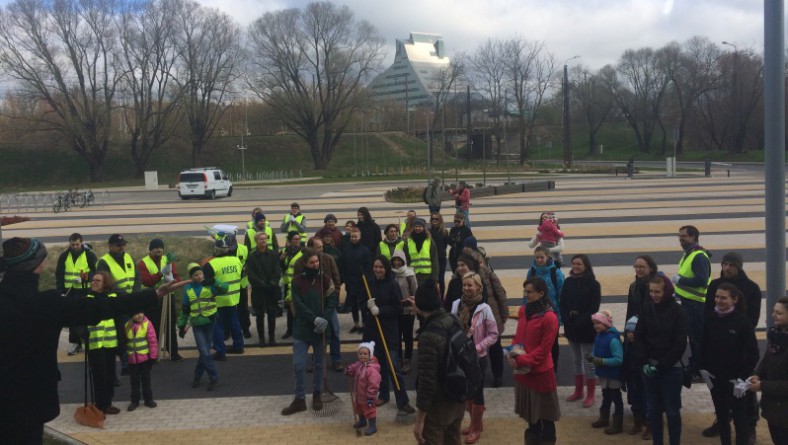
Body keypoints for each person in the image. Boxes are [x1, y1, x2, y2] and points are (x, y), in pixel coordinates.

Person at [0, 237, 185, 444]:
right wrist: (153, 295)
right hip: (31, 400)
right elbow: (104, 306)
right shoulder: (47, 305)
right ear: (38, 265)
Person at [702, 251, 762, 440]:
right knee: (721, 404)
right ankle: (721, 421)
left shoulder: (751, 288)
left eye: (731, 265)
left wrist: (735, 329)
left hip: (739, 353)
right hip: (718, 364)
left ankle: (750, 426)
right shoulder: (714, 286)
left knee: (744, 405)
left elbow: (752, 319)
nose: (726, 268)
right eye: (724, 264)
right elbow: (707, 315)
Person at [281, 252, 338, 415]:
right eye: (312, 262)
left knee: (319, 365)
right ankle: (299, 399)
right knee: (298, 365)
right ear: (305, 264)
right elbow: (297, 304)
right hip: (302, 330)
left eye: (317, 262)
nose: (316, 265)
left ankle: (317, 395)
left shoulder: (325, 279)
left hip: (321, 331)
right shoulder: (297, 281)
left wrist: (324, 320)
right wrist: (314, 319)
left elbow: (332, 300)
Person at [635, 274, 688, 445]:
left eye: (657, 292)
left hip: (671, 369)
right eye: (651, 291)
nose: (654, 295)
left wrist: (662, 366)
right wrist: (644, 362)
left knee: (672, 411)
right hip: (649, 366)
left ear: (667, 291)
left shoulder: (678, 312)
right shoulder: (646, 308)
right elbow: (639, 336)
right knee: (654, 410)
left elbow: (679, 344)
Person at [412, 278, 466, 445]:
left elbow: (427, 381)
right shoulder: (453, 319)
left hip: (439, 405)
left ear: (420, 306)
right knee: (453, 439)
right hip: (458, 397)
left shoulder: (427, 337)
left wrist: (420, 419)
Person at [510, 277, 561, 445]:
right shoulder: (523, 311)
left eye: (529, 292)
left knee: (546, 419)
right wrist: (511, 353)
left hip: (541, 374)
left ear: (541, 293)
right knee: (532, 418)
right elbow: (518, 337)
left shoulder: (550, 317)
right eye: (525, 291)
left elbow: (544, 351)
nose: (526, 295)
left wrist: (522, 360)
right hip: (524, 373)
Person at [364, 255, 416, 417]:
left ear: (386, 269)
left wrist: (380, 310)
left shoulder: (392, 285)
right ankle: (384, 395)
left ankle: (403, 401)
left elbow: (398, 308)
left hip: (389, 332)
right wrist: (367, 307)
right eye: (375, 267)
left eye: (381, 267)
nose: (378, 270)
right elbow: (362, 304)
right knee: (379, 368)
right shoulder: (369, 283)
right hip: (374, 333)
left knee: (393, 367)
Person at [450, 272, 498, 444]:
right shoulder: (456, 305)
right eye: (464, 285)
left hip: (478, 358)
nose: (466, 288)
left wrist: (477, 348)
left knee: (477, 393)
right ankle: (474, 423)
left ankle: (476, 428)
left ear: (478, 287)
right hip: (460, 358)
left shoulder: (485, 309)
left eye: (470, 285)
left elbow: (493, 334)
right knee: (467, 392)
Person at [462, 237, 509, 388]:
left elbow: (500, 293)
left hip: (489, 314)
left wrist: (503, 314)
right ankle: (487, 375)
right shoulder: (465, 280)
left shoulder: (487, 274)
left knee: (492, 346)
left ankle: (496, 375)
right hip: (476, 316)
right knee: (481, 347)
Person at [559, 254, 601, 408]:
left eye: (579, 264)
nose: (575, 266)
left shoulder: (594, 284)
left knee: (588, 361)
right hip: (571, 327)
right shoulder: (568, 282)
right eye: (574, 263)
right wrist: (566, 319)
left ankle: (590, 394)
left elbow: (593, 308)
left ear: (586, 266)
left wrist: (580, 321)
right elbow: (562, 302)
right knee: (576, 360)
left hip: (587, 327)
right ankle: (578, 391)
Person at [294, 239, 342, 371]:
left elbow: (336, 279)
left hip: (328, 306)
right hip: (310, 306)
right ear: (311, 249)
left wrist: (332, 299)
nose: (322, 250)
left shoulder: (327, 259)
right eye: (319, 248)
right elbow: (297, 284)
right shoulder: (299, 263)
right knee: (315, 336)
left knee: (335, 332)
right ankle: (317, 361)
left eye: (322, 247)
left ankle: (336, 359)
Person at [178, 263, 227, 391]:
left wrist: (214, 281)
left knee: (204, 352)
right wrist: (181, 324)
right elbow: (185, 309)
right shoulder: (188, 290)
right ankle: (213, 377)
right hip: (197, 324)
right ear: (191, 277)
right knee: (205, 352)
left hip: (210, 322)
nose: (199, 277)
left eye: (200, 274)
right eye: (196, 275)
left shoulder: (209, 285)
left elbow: (225, 289)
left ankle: (198, 376)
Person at [748, 296, 788, 445]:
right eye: (773, 311)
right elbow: (766, 361)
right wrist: (757, 374)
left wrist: (762, 386)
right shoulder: (776, 337)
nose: (773, 315)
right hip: (775, 409)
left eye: (779, 313)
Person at [672, 225, 711, 377]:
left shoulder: (699, 256)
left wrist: (681, 280)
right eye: (679, 236)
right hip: (687, 303)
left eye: (683, 236)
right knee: (693, 337)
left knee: (696, 338)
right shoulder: (689, 254)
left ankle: (699, 368)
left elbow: (702, 280)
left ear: (693, 237)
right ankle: (695, 365)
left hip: (695, 305)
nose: (680, 238)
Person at [84, 271, 123, 415]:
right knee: (99, 375)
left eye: (97, 281)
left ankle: (108, 403)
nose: (93, 282)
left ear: (105, 283)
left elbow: (118, 320)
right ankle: (101, 405)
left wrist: (121, 339)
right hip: (94, 343)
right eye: (93, 280)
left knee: (110, 374)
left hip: (110, 343)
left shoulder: (112, 297)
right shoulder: (87, 298)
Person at [137, 238, 182, 362]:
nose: (159, 249)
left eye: (160, 247)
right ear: (150, 250)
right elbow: (147, 281)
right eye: (156, 247)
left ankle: (173, 352)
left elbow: (177, 276)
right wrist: (161, 274)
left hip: (168, 297)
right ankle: (153, 354)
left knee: (170, 325)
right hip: (153, 298)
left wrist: (173, 279)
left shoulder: (168, 260)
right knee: (153, 327)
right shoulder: (143, 263)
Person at [55, 232, 97, 356]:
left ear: (81, 243)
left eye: (77, 244)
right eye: (72, 244)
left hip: (85, 290)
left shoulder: (89, 255)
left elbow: (95, 272)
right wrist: (61, 292)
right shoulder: (64, 256)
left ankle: (88, 341)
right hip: (70, 292)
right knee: (72, 317)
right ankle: (76, 343)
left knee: (86, 316)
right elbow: (59, 275)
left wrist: (84, 277)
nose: (74, 247)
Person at [203, 236, 244, 359]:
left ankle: (220, 351)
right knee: (234, 323)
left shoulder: (211, 264)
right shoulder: (236, 260)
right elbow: (241, 275)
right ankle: (239, 346)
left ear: (216, 250)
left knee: (217, 326)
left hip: (218, 300)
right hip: (233, 298)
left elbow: (205, 282)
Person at [527, 245, 564, 373]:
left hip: (551, 314)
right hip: (535, 313)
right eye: (536, 257)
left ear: (547, 257)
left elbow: (562, 295)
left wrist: (559, 316)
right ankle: (539, 365)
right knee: (536, 342)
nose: (539, 260)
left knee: (552, 343)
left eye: (541, 257)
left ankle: (554, 368)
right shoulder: (531, 271)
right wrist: (525, 310)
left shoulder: (556, 273)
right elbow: (526, 293)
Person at [587, 310, 625, 435]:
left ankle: (617, 424)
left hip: (613, 376)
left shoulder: (613, 340)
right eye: (594, 323)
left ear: (606, 324)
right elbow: (596, 351)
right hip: (604, 374)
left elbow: (619, 359)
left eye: (598, 323)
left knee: (616, 398)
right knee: (606, 397)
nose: (595, 326)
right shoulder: (599, 336)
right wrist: (592, 357)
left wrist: (600, 361)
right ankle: (604, 418)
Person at [246, 232, 282, 346]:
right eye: (261, 239)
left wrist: (272, 283)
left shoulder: (273, 254)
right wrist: (261, 284)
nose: (263, 241)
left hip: (271, 290)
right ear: (256, 241)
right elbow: (251, 274)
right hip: (258, 290)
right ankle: (261, 338)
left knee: (272, 315)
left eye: (265, 239)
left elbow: (277, 270)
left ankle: (272, 337)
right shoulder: (251, 256)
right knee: (259, 316)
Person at [345, 341, 382, 436]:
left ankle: (372, 426)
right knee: (358, 408)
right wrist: (349, 370)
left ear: (370, 354)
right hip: (359, 394)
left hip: (369, 397)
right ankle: (362, 421)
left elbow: (374, 384)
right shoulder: (359, 364)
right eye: (360, 354)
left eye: (365, 354)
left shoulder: (372, 369)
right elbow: (354, 368)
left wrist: (371, 395)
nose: (362, 356)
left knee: (370, 410)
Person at [622, 316, 650, 439]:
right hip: (631, 379)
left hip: (644, 380)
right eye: (628, 332)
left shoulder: (646, 345)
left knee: (647, 403)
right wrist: (623, 378)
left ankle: (650, 426)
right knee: (635, 402)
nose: (630, 335)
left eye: (633, 332)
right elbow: (623, 362)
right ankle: (637, 422)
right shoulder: (626, 345)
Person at [124, 311, 158, 411]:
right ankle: (134, 401)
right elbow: (125, 342)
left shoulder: (147, 324)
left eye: (141, 313)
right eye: (136, 313)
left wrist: (153, 356)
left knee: (146, 380)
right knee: (134, 382)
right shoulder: (127, 325)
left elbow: (152, 341)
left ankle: (148, 399)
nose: (139, 315)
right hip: (132, 359)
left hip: (145, 359)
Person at [391, 250, 418, 374]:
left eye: (399, 260)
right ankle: (399, 359)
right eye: (394, 260)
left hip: (407, 311)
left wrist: (412, 307)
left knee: (407, 337)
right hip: (395, 311)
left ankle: (407, 359)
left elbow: (414, 293)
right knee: (396, 336)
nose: (396, 262)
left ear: (403, 261)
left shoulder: (409, 274)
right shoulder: (391, 274)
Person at [341, 228, 372, 334]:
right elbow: (343, 265)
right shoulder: (346, 249)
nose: (353, 238)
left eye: (355, 237)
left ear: (360, 237)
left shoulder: (365, 250)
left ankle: (364, 324)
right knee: (353, 305)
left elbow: (368, 267)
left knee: (363, 305)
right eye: (352, 237)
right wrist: (345, 279)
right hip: (350, 282)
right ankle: (356, 324)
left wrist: (365, 278)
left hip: (362, 282)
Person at [279, 231, 303, 339]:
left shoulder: (304, 251)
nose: (297, 241)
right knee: (289, 309)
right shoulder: (285, 251)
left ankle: (300, 329)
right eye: (295, 239)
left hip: (300, 283)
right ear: (290, 240)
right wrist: (281, 260)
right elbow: (282, 267)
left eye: (298, 239)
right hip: (288, 283)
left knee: (300, 307)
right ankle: (290, 330)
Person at [404, 218, 439, 286]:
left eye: (420, 226)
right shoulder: (408, 242)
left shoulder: (429, 241)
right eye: (416, 226)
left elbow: (434, 259)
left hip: (427, 275)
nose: (417, 228)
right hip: (413, 275)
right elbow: (406, 259)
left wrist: (435, 277)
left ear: (423, 228)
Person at [626, 255, 658, 322]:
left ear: (651, 268)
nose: (638, 269)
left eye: (641, 267)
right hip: (639, 326)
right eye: (636, 267)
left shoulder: (658, 285)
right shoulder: (633, 286)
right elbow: (630, 311)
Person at [428, 212, 451, 297]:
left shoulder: (444, 232)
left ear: (440, 220)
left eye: (436, 219)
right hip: (431, 258)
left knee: (441, 279)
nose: (434, 220)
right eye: (433, 219)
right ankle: (433, 296)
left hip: (441, 258)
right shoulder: (428, 232)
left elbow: (445, 245)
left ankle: (441, 298)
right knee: (432, 279)